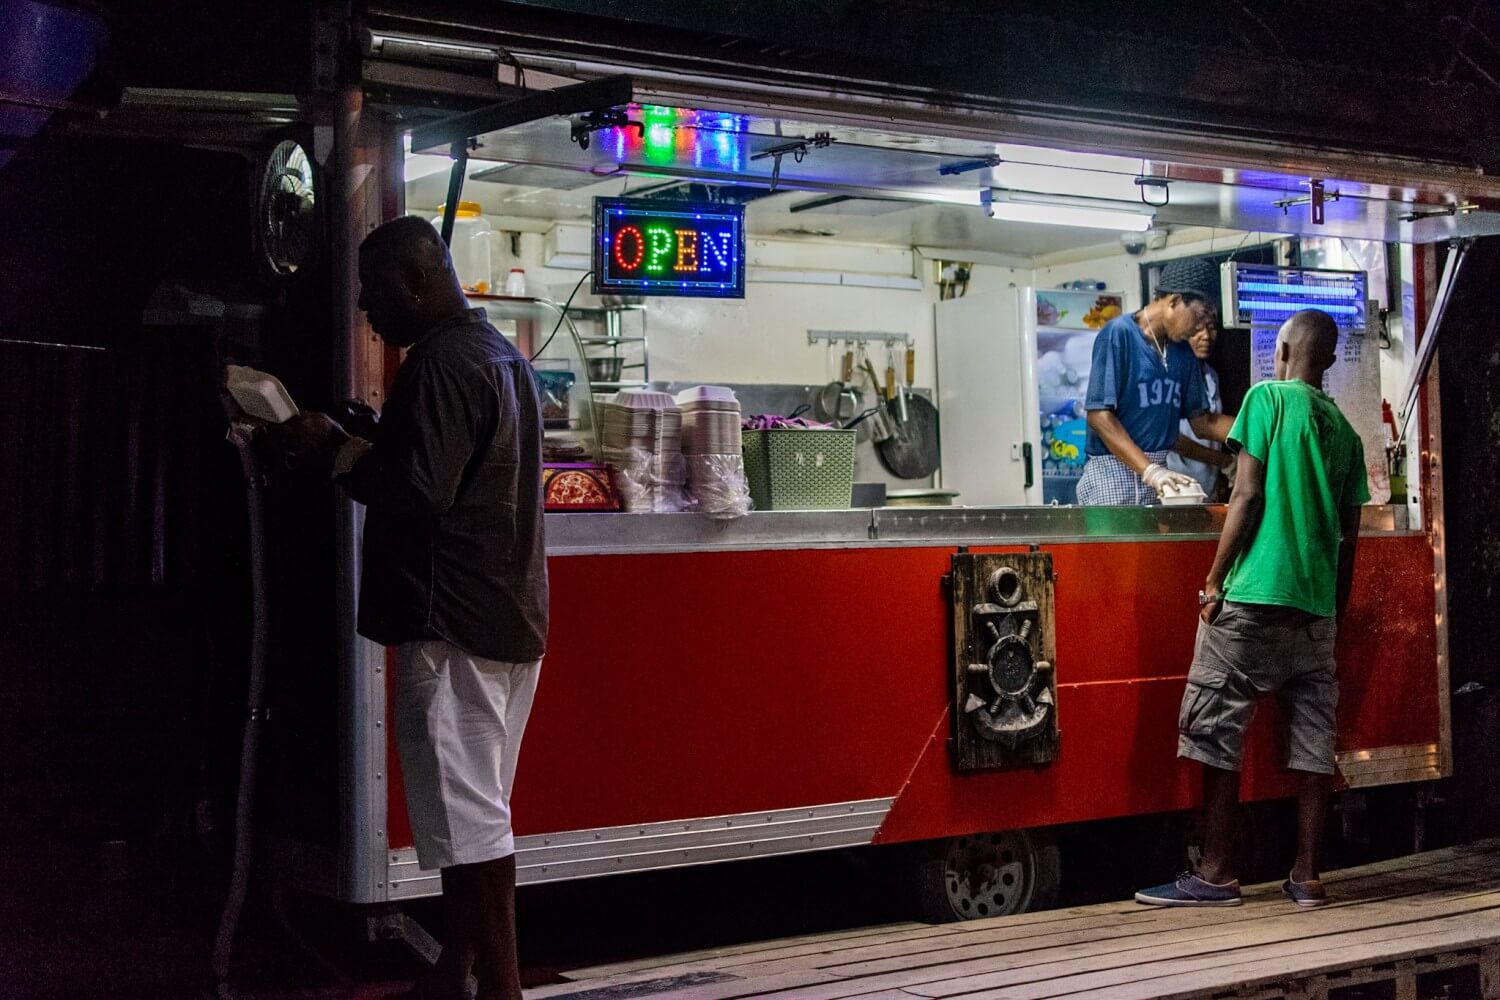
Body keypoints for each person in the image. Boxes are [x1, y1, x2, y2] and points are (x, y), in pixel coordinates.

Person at [277, 215, 548, 1000]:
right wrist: (366, 433)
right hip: (509, 616)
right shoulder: (501, 355)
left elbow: (416, 492)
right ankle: (451, 973)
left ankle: (500, 991)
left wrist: (332, 451)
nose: (367, 310)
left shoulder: (436, 364)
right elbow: (446, 465)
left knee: (473, 828)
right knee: (476, 815)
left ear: (417, 281)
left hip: (451, 621)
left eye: (373, 291)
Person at [1135, 308, 1368, 909]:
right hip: (1315, 611)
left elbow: (1245, 494)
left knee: (1216, 726)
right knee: (1314, 743)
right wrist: (1333, 615)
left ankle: (1215, 873)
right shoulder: (1346, 431)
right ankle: (1307, 876)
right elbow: (1349, 541)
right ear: (1332, 360)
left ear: (1283, 351)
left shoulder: (1267, 398)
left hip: (1255, 597)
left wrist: (1213, 581)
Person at [1077, 258, 1235, 505]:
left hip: (1159, 477)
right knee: (1115, 545)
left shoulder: (1183, 353)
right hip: (1112, 474)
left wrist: (1259, 429)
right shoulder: (1119, 335)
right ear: (1174, 301)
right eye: (1199, 316)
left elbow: (1203, 423)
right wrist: (1150, 471)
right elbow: (1099, 417)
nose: (1199, 329)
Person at [1167, 318, 1234, 500]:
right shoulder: (1168, 373)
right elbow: (1172, 438)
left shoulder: (1211, 375)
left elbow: (1212, 432)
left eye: (1211, 327)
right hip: (1175, 489)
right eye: (1197, 328)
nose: (1206, 336)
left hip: (1206, 489)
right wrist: (1223, 461)